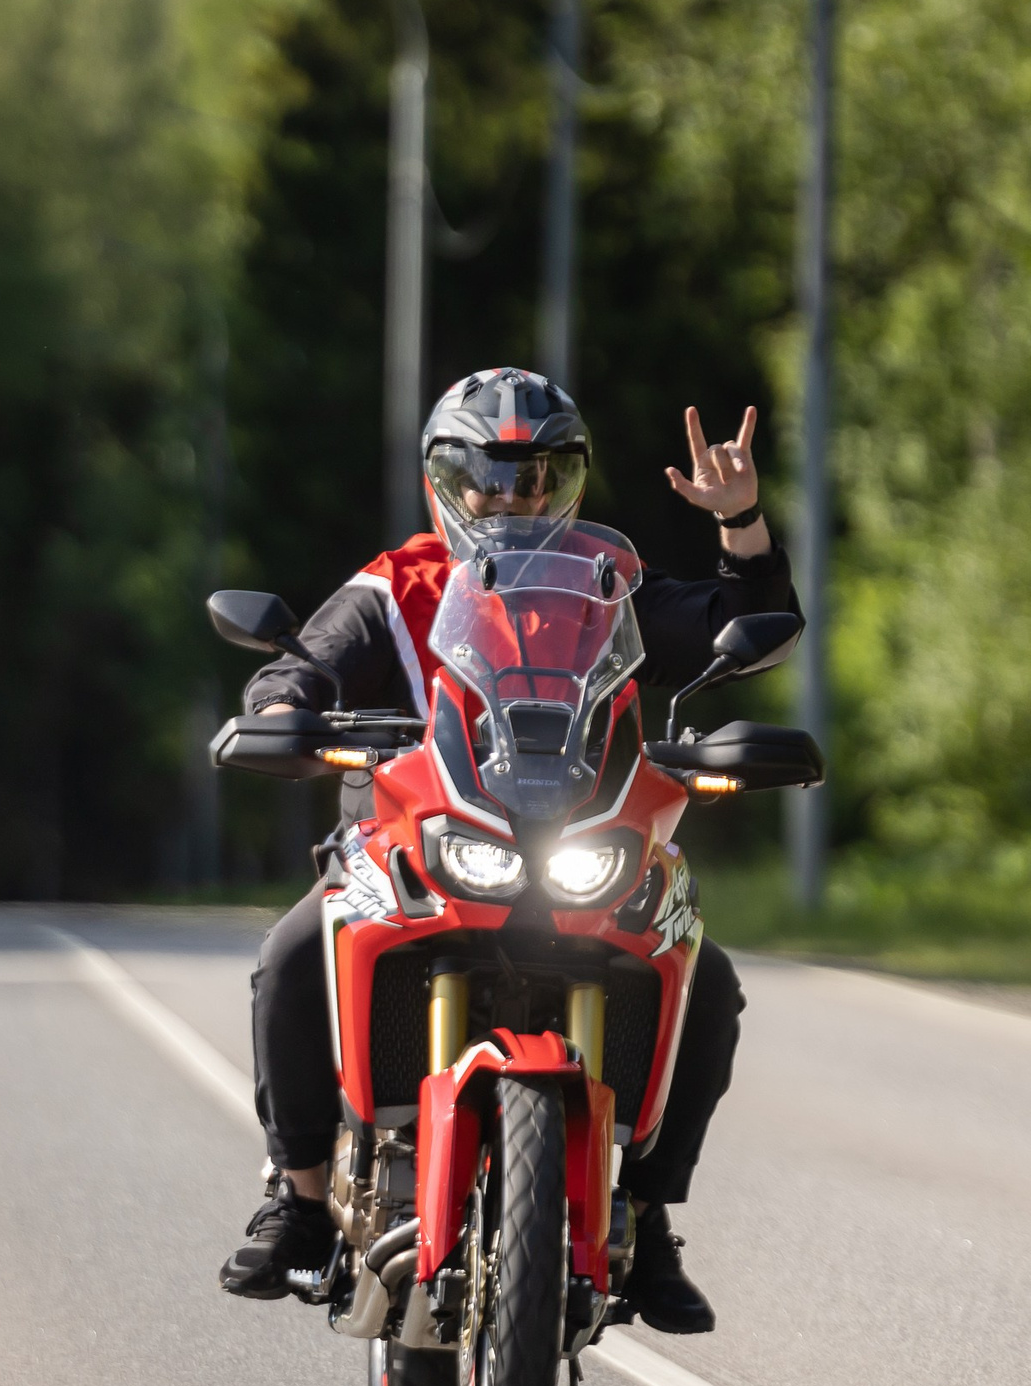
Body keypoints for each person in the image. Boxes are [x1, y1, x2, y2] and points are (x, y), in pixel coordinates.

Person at [215, 368, 799, 1334]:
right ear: (445, 479)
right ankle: (303, 1197)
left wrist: (740, 523)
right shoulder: (395, 584)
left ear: (567, 481)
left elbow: (744, 636)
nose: (512, 498)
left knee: (709, 977)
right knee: (289, 954)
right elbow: (300, 664)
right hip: (417, 839)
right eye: (488, 477)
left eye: (537, 477)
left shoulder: (607, 581)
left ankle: (647, 1217)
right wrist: (285, 709)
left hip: (581, 839)